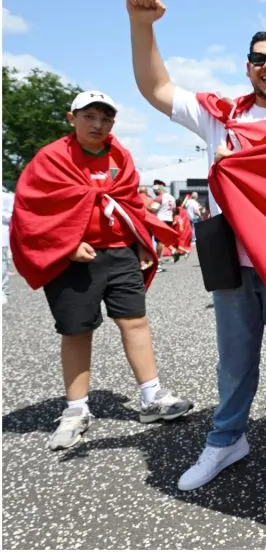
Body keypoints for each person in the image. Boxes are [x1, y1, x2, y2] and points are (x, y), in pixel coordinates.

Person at [128, 0, 266, 506]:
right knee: (234, 363)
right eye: (260, 58)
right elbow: (156, 87)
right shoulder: (221, 116)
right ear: (248, 67)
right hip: (233, 265)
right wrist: (142, 25)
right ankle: (226, 439)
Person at [8, 90, 193, 451]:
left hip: (119, 252)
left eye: (105, 118)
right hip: (74, 257)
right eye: (89, 116)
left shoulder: (119, 155)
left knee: (135, 320)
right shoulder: (52, 158)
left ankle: (152, 396)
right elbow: (32, 209)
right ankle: (76, 409)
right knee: (78, 331)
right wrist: (67, 243)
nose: (98, 124)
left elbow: (129, 203)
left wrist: (140, 241)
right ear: (71, 118)